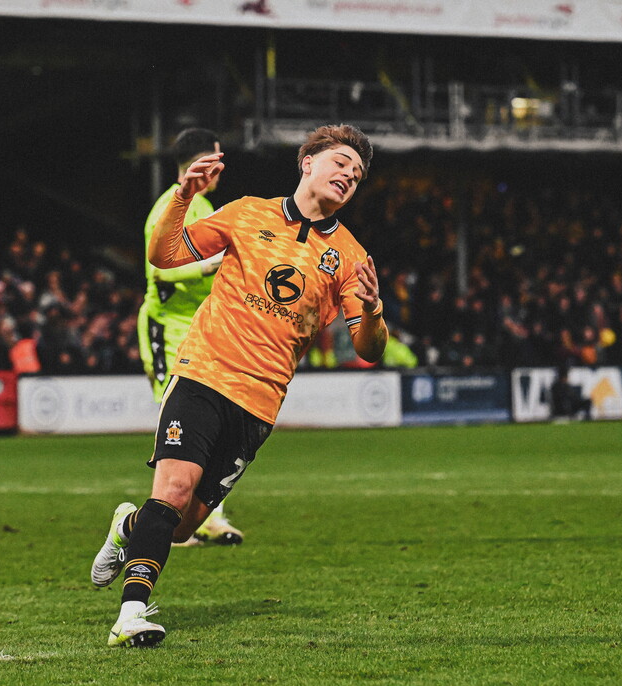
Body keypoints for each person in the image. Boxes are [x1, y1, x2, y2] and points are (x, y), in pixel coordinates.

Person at [92, 124, 388, 647]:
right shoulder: (247, 211)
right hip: (204, 373)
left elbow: (369, 347)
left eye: (358, 174)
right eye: (341, 163)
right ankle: (132, 613)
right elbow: (165, 257)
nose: (349, 176)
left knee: (181, 527)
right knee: (174, 491)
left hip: (260, 403)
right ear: (308, 163)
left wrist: (373, 309)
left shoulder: (348, 255)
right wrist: (184, 198)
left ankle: (128, 525)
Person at [137, 128, 241, 546]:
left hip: (199, 329)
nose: (222, 166)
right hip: (167, 328)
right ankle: (169, 520)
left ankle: (203, 516)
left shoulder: (204, 205)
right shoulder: (171, 206)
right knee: (175, 424)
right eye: (218, 157)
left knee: (205, 423)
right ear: (203, 161)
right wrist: (216, 263)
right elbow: (162, 268)